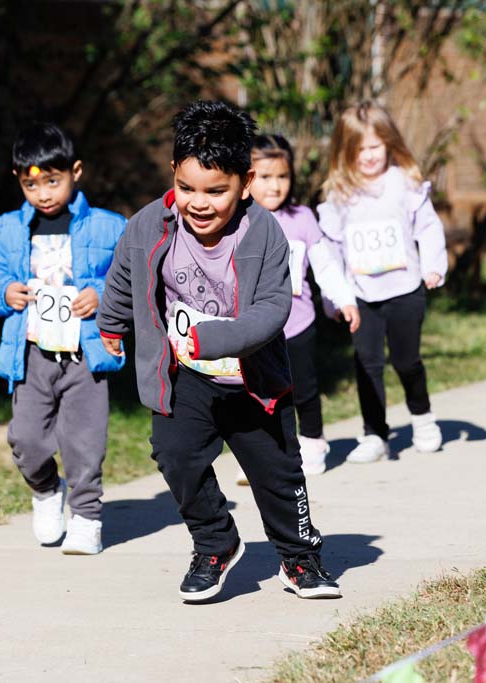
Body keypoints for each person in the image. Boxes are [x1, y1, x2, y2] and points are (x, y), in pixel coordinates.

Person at [96, 100, 342, 602]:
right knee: (173, 454)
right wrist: (111, 322)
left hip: (252, 378)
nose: (199, 203)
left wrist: (214, 340)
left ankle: (299, 560)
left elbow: (274, 307)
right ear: (173, 175)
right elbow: (125, 273)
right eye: (186, 188)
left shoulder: (264, 233)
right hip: (184, 373)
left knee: (277, 474)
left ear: (245, 183)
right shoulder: (147, 225)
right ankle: (215, 543)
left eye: (216, 191)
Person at [0, 122, 126, 555]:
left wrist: (104, 295)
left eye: (53, 182)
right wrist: (3, 291)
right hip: (32, 352)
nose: (43, 194)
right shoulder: (4, 231)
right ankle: (45, 489)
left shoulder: (109, 227)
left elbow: (133, 276)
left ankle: (86, 518)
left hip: (86, 353)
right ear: (19, 181)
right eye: (31, 185)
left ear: (76, 172)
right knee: (25, 437)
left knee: (84, 441)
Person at [316, 101, 448, 464]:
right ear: (345, 151)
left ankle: (422, 419)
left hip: (405, 290)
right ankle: (375, 434)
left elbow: (429, 227)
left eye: (375, 147)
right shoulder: (339, 194)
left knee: (407, 362)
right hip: (361, 297)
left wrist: (433, 265)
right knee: (366, 364)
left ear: (389, 143)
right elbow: (331, 249)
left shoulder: (404, 183)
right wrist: (335, 298)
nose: (369, 156)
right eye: (359, 150)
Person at [233, 134, 360, 483]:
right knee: (256, 394)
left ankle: (314, 444)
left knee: (303, 388)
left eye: (282, 177)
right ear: (246, 178)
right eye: (265, 176)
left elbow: (325, 265)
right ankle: (267, 457)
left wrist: (341, 300)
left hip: (297, 323)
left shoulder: (302, 218)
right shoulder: (235, 220)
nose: (275, 186)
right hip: (253, 329)